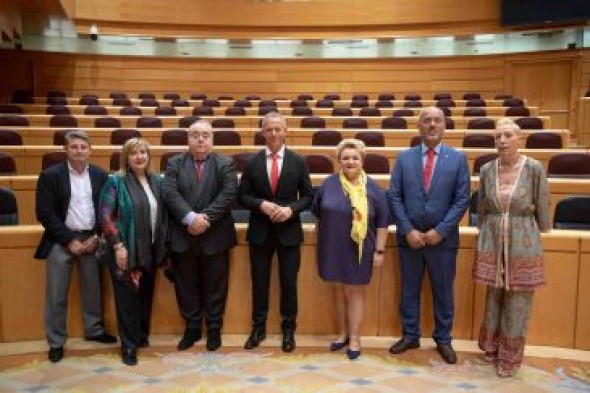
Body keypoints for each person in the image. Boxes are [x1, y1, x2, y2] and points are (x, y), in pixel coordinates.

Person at [387, 106, 470, 364]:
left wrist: (440, 231)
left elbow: (462, 199)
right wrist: (408, 230)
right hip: (409, 239)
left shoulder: (458, 159)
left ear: (444, 126)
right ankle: (410, 335)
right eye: (427, 120)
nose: (432, 124)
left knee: (443, 291)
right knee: (409, 290)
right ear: (419, 126)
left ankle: (443, 339)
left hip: (442, 241)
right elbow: (394, 196)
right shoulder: (403, 158)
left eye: (437, 120)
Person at [473, 118, 551, 378]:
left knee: (518, 300)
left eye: (507, 135)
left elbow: (542, 203)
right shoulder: (486, 169)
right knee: (494, 296)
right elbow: (482, 205)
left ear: (520, 138)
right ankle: (492, 348)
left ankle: (510, 358)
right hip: (492, 236)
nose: (502, 141)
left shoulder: (534, 168)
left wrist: (540, 228)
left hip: (523, 239)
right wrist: (484, 232)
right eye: (498, 136)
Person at [34, 130, 116, 363]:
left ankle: (94, 330)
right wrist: (69, 240)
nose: (79, 151)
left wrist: (98, 237)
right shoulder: (50, 176)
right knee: (56, 293)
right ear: (65, 150)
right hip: (61, 240)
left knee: (93, 288)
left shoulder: (101, 176)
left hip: (91, 239)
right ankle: (56, 341)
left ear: (90, 150)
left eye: (83, 147)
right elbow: (45, 213)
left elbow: (107, 210)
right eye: (74, 147)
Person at [239, 111, 313, 353]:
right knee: (259, 283)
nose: (273, 133)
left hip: (289, 232)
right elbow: (242, 196)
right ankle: (258, 328)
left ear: (285, 131)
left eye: (277, 129)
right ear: (262, 132)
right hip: (260, 231)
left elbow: (309, 197)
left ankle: (288, 330)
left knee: (288, 283)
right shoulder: (251, 162)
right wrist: (261, 204)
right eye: (268, 129)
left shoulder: (298, 161)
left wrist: (291, 210)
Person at [162, 120, 238, 352]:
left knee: (216, 286)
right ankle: (192, 328)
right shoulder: (174, 163)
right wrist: (189, 218)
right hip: (183, 236)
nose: (201, 139)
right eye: (195, 135)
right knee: (186, 286)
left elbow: (228, 193)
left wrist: (203, 219)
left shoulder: (225, 163)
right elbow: (169, 193)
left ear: (212, 139)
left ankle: (214, 329)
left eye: (205, 135)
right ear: (188, 139)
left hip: (215, 235)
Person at [311, 139, 389, 360]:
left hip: (360, 249)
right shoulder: (328, 184)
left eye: (355, 157)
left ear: (363, 160)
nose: (350, 161)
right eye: (345, 158)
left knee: (354, 292)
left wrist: (380, 251)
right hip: (332, 247)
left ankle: (355, 338)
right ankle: (343, 334)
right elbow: (318, 213)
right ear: (339, 161)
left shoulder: (373, 188)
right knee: (337, 289)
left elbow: (383, 222)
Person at [98, 138, 168, 366]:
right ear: (126, 158)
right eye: (134, 153)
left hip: (150, 250)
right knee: (127, 301)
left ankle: (140, 336)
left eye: (143, 152)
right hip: (124, 251)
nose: (139, 157)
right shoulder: (115, 182)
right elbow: (105, 216)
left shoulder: (157, 181)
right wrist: (118, 246)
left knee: (145, 296)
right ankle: (128, 347)